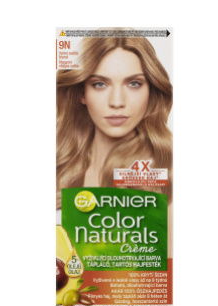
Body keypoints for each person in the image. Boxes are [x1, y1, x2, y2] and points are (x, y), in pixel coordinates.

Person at [56, 33, 173, 255]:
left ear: (151, 90)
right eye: (100, 84)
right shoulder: (60, 167)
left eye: (134, 83)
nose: (117, 102)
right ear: (82, 92)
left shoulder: (168, 173)